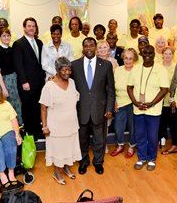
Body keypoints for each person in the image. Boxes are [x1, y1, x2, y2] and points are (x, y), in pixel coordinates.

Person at [71, 37, 115, 175]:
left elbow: (111, 90)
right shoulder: (75, 65)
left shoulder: (106, 65)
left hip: (99, 109)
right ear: (83, 48)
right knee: (82, 139)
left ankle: (98, 162)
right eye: (86, 46)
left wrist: (109, 109)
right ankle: (83, 162)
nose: (89, 48)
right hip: (81, 109)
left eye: (91, 45)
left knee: (99, 139)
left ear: (95, 47)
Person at [39, 57, 82, 185]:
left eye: (69, 70)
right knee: (58, 150)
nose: (67, 72)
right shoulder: (49, 86)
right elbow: (43, 107)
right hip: (56, 126)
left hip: (71, 124)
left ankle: (67, 168)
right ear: (57, 70)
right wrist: (45, 127)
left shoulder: (72, 82)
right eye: (64, 70)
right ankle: (57, 172)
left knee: (69, 148)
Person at [127, 45, 169, 171]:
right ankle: (141, 158)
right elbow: (129, 87)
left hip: (154, 110)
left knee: (152, 136)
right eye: (145, 53)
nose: (147, 55)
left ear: (154, 55)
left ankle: (151, 159)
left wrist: (152, 103)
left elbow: (165, 89)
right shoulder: (136, 69)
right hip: (138, 108)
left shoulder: (161, 69)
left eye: (150, 53)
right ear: (141, 54)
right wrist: (134, 102)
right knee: (140, 135)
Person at [12, 17, 45, 139]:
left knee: (37, 107)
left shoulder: (39, 42)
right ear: (24, 28)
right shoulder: (18, 44)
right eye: (29, 26)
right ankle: (30, 133)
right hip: (27, 84)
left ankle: (37, 130)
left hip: (39, 83)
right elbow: (18, 65)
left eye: (33, 26)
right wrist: (24, 81)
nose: (31, 28)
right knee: (28, 108)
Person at [111, 48, 138, 158]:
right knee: (118, 126)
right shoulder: (118, 70)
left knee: (133, 127)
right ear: (122, 58)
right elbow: (112, 87)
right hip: (120, 103)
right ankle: (120, 145)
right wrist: (114, 101)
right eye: (126, 58)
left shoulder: (138, 70)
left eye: (130, 58)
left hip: (133, 103)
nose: (128, 61)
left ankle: (132, 146)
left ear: (134, 59)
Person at [0, 28, 22, 124]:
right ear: (0, 37)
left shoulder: (12, 49)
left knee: (18, 104)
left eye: (8, 35)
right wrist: (4, 88)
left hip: (15, 79)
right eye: (4, 35)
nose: (6, 38)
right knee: (8, 106)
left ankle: (20, 127)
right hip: (5, 81)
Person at [158, 47, 176, 149]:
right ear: (162, 55)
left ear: (172, 55)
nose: (168, 56)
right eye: (166, 54)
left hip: (172, 97)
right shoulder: (158, 67)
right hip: (161, 96)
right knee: (162, 119)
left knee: (173, 119)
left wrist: (172, 96)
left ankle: (176, 138)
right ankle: (162, 136)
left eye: (170, 54)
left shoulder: (176, 67)